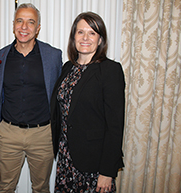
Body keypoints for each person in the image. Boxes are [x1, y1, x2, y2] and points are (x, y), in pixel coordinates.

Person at [51, 12, 125, 193]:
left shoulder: (110, 70)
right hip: (66, 158)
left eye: (92, 33)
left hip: (94, 163)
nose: (85, 38)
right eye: (80, 32)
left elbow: (115, 125)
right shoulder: (68, 68)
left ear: (100, 39)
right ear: (73, 37)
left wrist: (107, 171)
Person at [0, 3, 62, 193]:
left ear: (38, 28)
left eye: (30, 22)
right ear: (13, 24)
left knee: (41, 188)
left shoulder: (53, 56)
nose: (24, 27)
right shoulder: (0, 56)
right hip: (8, 133)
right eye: (20, 21)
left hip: (42, 135)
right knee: (5, 186)